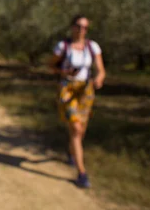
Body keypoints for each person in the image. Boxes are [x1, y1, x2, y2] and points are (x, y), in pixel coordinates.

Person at [49, 15, 106, 188]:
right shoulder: (63, 46)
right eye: (79, 26)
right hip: (67, 90)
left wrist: (99, 78)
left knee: (81, 131)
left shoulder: (92, 46)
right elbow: (51, 66)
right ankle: (82, 173)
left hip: (85, 91)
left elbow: (101, 69)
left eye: (85, 27)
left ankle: (71, 152)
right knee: (76, 127)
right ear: (72, 27)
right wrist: (65, 72)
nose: (82, 30)